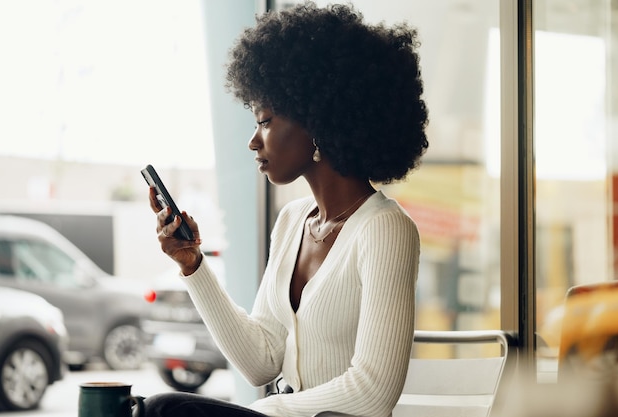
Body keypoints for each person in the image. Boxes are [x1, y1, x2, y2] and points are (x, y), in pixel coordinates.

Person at [144, 2, 428, 416]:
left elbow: (373, 391)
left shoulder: (386, 229)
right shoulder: (292, 222)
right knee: (150, 407)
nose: (253, 141)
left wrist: (265, 413)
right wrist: (193, 266)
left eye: (265, 121)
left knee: (163, 409)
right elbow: (260, 362)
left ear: (318, 121)